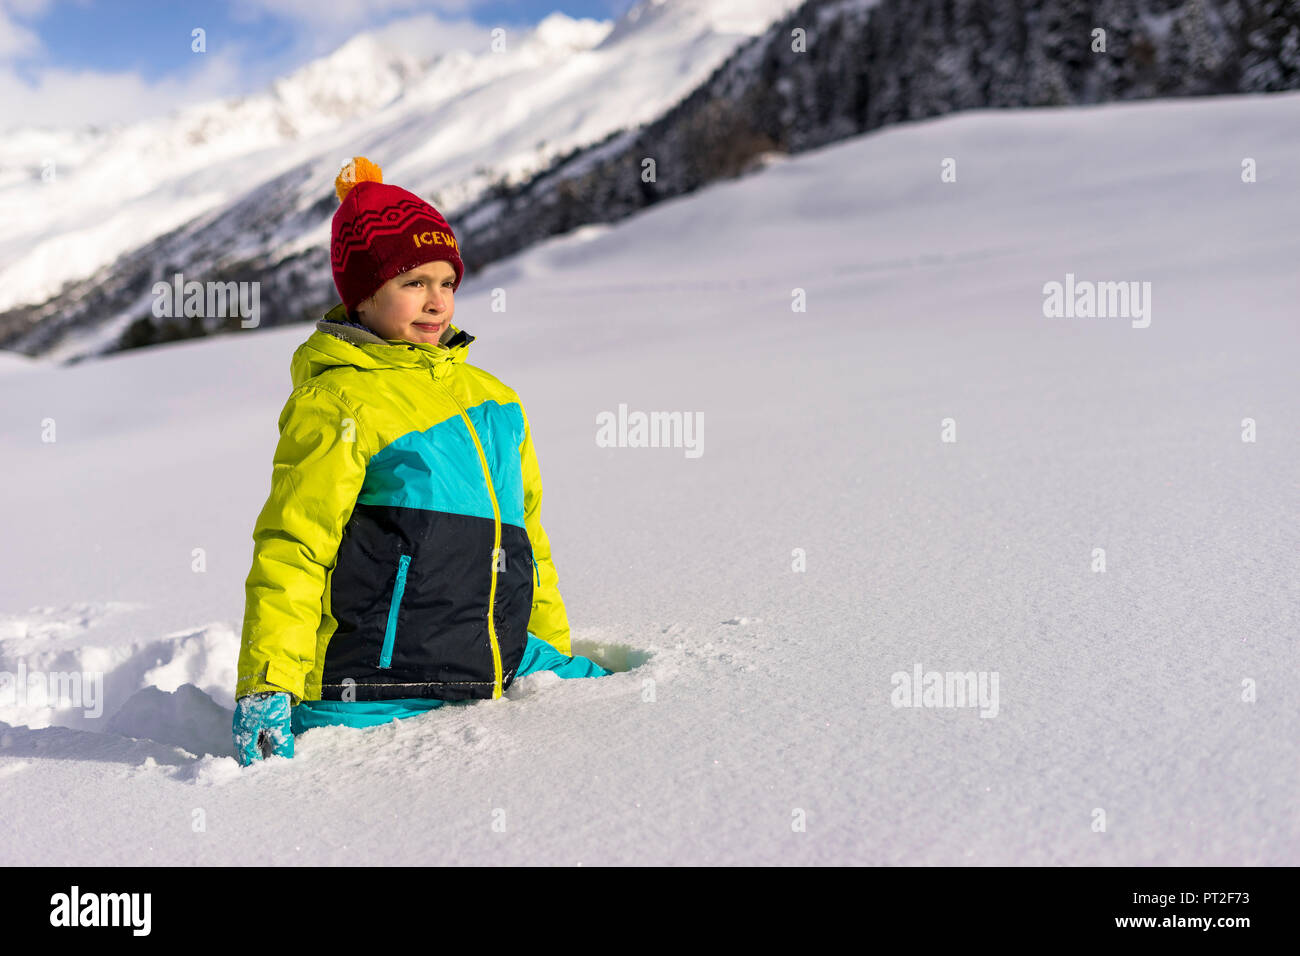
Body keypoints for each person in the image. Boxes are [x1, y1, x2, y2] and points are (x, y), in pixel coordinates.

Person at [232, 156, 609, 766]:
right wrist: (269, 680)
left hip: (502, 660)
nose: (437, 302)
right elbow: (294, 544)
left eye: (447, 283)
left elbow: (528, 538)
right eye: (413, 283)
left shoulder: (495, 399)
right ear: (363, 296)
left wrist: (545, 646)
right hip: (377, 682)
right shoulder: (338, 400)